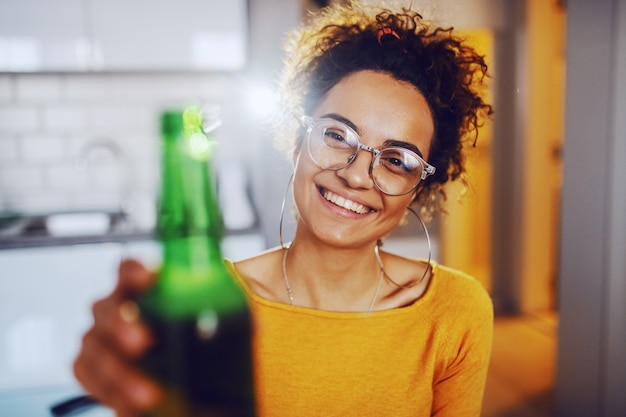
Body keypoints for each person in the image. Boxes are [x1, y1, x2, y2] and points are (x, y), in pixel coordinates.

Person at [73, 1, 494, 416]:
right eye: (337, 135)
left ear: (417, 190)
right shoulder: (212, 309)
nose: (358, 175)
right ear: (296, 142)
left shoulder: (456, 311)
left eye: (397, 160)